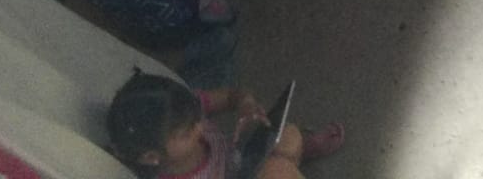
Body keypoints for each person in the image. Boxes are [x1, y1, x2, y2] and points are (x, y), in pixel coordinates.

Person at [106, 71, 342, 179]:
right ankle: (290, 161)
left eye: (198, 117)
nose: (200, 127)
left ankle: (295, 155)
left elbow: (231, 96)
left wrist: (246, 105)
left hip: (245, 157)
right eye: (188, 132)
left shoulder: (183, 109)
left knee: (288, 133)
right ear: (151, 157)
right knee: (277, 171)